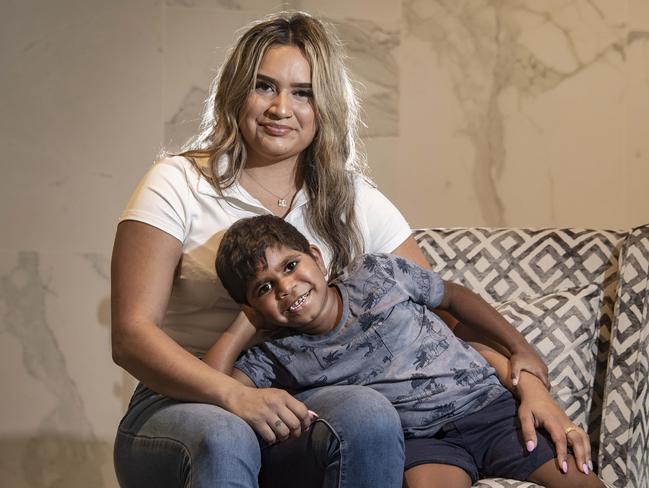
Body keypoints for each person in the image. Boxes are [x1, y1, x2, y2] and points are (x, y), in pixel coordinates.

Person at [111, 10, 569, 488]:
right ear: (235, 93)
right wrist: (232, 394)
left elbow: (440, 325)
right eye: (264, 86)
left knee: (367, 410)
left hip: (297, 408)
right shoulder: (177, 183)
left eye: (302, 92)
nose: (280, 108)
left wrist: (531, 387)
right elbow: (131, 334)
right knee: (227, 436)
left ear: (324, 105)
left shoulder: (354, 199)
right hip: (180, 404)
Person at [208, 215, 604, 488]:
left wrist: (521, 348)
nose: (285, 287)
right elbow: (213, 387)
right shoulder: (276, 352)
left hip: (490, 411)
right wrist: (244, 322)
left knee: (583, 481)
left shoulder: (376, 275)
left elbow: (452, 296)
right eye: (263, 288)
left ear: (316, 256)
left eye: (291, 265)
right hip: (421, 442)